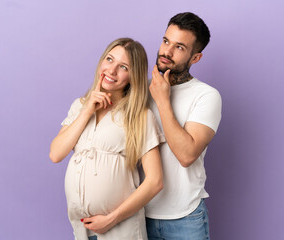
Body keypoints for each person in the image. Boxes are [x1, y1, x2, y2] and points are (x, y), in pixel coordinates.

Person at [50, 38, 164, 240]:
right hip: (83, 229)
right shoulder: (80, 105)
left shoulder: (140, 116)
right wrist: (86, 112)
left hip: (121, 229)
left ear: (133, 76)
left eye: (123, 67)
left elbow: (155, 181)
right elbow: (56, 154)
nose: (111, 71)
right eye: (109, 60)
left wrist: (113, 218)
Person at [145, 12, 222, 240]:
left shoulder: (206, 96)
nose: (166, 52)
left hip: (185, 217)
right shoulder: (140, 89)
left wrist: (162, 100)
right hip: (137, 213)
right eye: (166, 41)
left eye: (179, 47)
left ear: (195, 58)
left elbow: (186, 154)